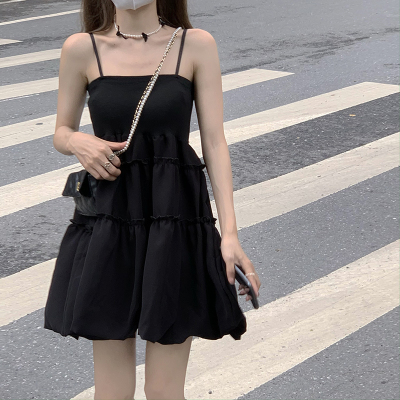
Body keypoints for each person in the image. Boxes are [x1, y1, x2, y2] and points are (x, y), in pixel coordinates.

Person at [43, 0, 262, 398]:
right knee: (111, 392)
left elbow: (214, 142)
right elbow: (61, 130)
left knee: (164, 391)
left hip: (175, 218)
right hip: (110, 221)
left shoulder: (195, 45)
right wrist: (77, 142)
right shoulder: (81, 48)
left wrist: (229, 235)